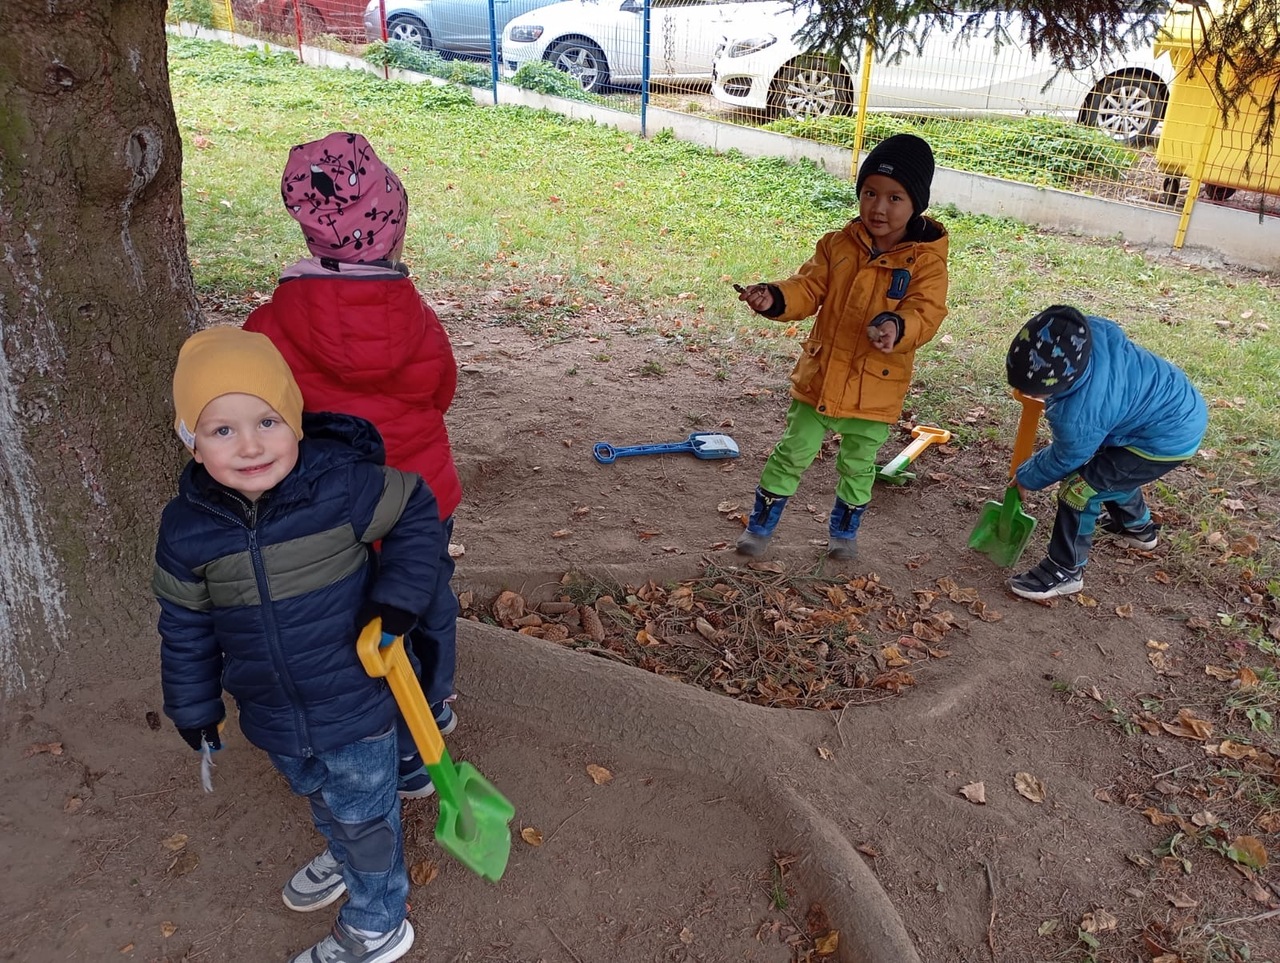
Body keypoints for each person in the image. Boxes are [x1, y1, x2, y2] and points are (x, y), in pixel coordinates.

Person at [153, 327, 444, 963]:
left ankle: (378, 921)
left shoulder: (340, 488)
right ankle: (346, 853)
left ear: (295, 420)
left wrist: (395, 602)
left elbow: (416, 509)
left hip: (355, 700)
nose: (250, 445)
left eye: (267, 421)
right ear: (191, 441)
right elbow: (184, 625)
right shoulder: (185, 530)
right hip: (272, 711)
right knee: (319, 794)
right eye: (222, 429)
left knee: (364, 814)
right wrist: (194, 705)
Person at [243, 131, 461, 799]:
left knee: (359, 626)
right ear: (394, 233)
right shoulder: (419, 323)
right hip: (422, 498)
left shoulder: (271, 328)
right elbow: (441, 391)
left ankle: (396, 749)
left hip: (335, 515)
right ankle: (433, 708)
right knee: (427, 602)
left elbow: (261, 410)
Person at [734, 133, 949, 560]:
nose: (878, 207)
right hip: (821, 378)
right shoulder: (837, 245)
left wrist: (897, 326)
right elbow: (807, 287)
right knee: (792, 452)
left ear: (916, 204)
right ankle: (759, 528)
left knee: (858, 465)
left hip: (875, 387)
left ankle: (844, 536)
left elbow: (926, 312)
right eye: (870, 193)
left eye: (894, 197)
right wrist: (775, 297)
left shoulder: (926, 263)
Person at [1004, 304, 1208, 601]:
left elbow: (1066, 457)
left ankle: (1065, 570)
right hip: (1175, 405)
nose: (1029, 396)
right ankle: (1137, 529)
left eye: (1036, 391)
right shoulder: (1087, 336)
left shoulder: (1079, 413)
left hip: (1164, 439)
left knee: (1080, 489)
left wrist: (1028, 477)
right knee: (1108, 473)